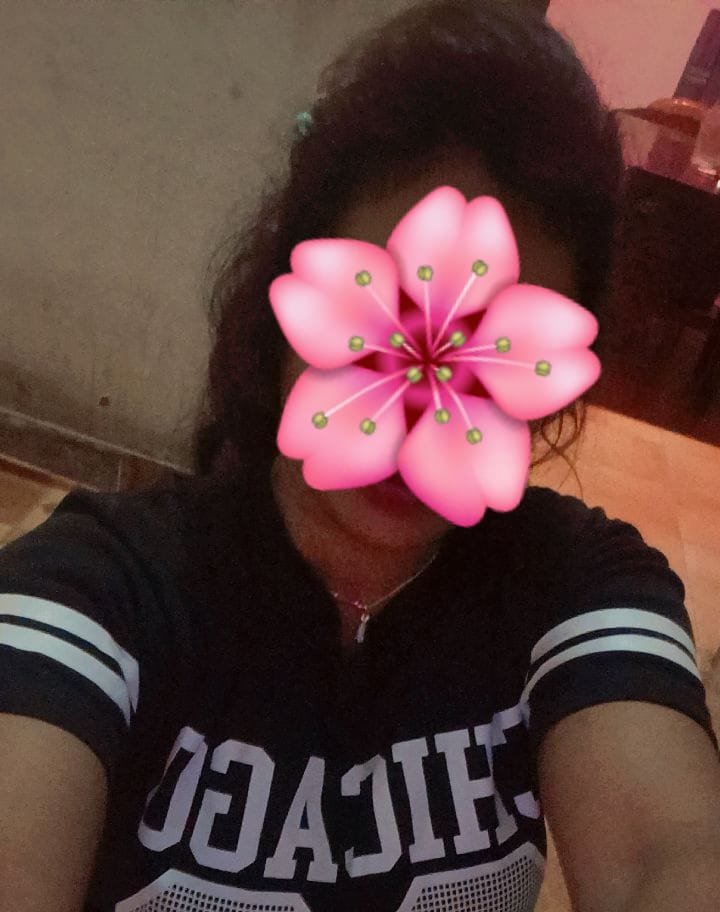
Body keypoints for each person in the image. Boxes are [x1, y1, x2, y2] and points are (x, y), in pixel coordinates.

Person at [1, 2, 720, 910]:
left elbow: (670, 853)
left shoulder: (577, 583)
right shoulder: (106, 583)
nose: (416, 419)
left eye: (483, 361)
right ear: (295, 289)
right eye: (389, 323)